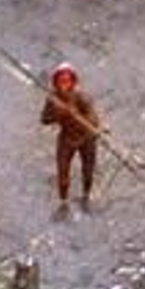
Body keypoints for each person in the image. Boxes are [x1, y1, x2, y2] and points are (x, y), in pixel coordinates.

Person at [40, 62, 100, 217]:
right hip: (66, 138)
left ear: (73, 81)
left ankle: (86, 196)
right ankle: (63, 202)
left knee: (88, 170)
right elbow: (44, 119)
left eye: (67, 81)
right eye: (61, 81)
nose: (64, 85)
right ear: (56, 82)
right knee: (62, 172)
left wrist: (76, 115)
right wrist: (58, 114)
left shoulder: (81, 96)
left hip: (87, 138)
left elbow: (93, 118)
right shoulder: (52, 99)